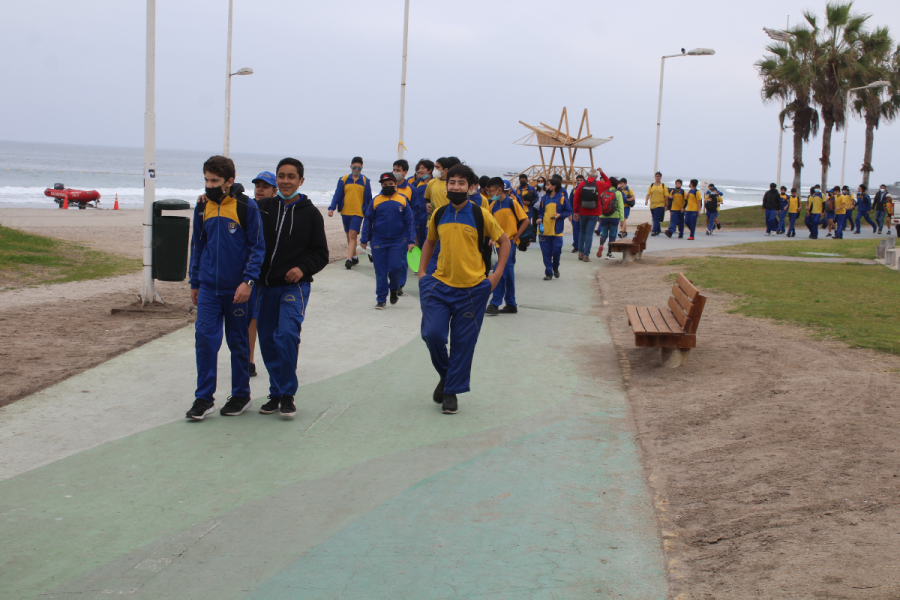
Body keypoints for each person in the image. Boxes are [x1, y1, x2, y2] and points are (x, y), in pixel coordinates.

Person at [418, 164, 510, 415]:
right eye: (452, 182)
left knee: (462, 343)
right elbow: (429, 242)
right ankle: (448, 377)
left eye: (461, 183)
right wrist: (422, 273)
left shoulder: (481, 215)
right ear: (446, 185)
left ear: (471, 188)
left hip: (472, 290)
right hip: (439, 285)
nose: (455, 187)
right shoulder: (438, 214)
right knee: (432, 334)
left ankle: (451, 391)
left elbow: (504, 242)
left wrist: (496, 274)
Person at [186, 155, 265, 420]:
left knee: (238, 343)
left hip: (239, 290)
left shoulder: (247, 207)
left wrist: (247, 282)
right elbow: (197, 246)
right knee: (205, 341)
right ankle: (204, 398)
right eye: (206, 180)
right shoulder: (202, 207)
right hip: (209, 289)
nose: (209, 185)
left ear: (229, 181)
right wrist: (194, 281)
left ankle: (241, 395)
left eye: (215, 181)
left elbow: (257, 248)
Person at [254, 157, 330, 418]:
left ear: (301, 180)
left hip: (293, 288)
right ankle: (275, 392)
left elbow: (321, 253)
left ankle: (287, 394)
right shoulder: (262, 208)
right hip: (264, 288)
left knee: (286, 335)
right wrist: (205, 200)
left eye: (291, 176)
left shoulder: (310, 213)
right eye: (281, 176)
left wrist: (302, 269)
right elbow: (236, 211)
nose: (286, 181)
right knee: (267, 341)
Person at [360, 173, 415, 309]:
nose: (388, 187)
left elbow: (409, 221)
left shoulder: (402, 200)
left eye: (391, 184)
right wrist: (364, 238)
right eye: (385, 185)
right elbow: (368, 220)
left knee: (396, 268)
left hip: (397, 240)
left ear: (395, 185)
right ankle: (381, 299)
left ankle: (394, 288)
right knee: (380, 271)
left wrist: (410, 240)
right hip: (379, 240)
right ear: (381, 186)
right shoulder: (376, 200)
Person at [247, 171, 279, 377]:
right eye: (257, 185)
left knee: (273, 321)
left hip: (273, 275)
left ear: (275, 191)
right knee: (251, 317)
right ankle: (248, 361)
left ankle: (279, 360)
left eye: (265, 186)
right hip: (251, 273)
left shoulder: (279, 211)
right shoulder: (247, 208)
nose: (260, 189)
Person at [485, 177, 528, 315]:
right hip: (498, 244)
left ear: (498, 190)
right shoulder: (492, 206)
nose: (490, 194)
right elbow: (491, 225)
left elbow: (525, 220)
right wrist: (492, 237)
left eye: (491, 191)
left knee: (500, 271)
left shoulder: (512, 203)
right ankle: (511, 303)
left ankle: (494, 303)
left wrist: (515, 238)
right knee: (508, 273)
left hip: (509, 243)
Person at [328, 156, 373, 270]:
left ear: (362, 168)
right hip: (345, 211)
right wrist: (332, 208)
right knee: (348, 234)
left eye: (359, 168)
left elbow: (368, 199)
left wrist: (370, 213)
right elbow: (338, 195)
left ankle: (348, 260)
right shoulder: (343, 179)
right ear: (351, 167)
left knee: (353, 233)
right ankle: (354, 257)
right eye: (354, 167)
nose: (356, 170)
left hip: (358, 212)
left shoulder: (365, 181)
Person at [535, 176, 572, 279]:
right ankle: (548, 272)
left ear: (554, 186)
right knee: (546, 253)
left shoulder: (561, 198)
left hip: (557, 230)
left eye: (547, 184)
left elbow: (569, 211)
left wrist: (560, 215)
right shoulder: (543, 199)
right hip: (544, 230)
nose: (546, 186)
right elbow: (540, 213)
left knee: (556, 251)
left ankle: (555, 267)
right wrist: (539, 219)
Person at [572, 168, 611, 260]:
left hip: (583, 211)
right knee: (589, 233)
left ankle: (580, 252)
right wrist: (602, 172)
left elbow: (576, 198)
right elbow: (609, 183)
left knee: (582, 231)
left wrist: (575, 211)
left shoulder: (581, 184)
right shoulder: (599, 184)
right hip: (594, 212)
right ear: (596, 177)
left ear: (588, 175)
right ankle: (586, 255)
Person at [392, 159, 415, 294]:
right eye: (394, 169)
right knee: (391, 260)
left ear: (405, 172)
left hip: (404, 231)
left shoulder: (410, 189)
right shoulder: (389, 187)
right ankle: (392, 282)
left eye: (398, 170)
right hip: (389, 230)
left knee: (402, 259)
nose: (395, 172)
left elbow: (415, 209)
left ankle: (399, 285)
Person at [595, 177, 625, 260]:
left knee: (604, 233)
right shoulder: (618, 193)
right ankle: (609, 253)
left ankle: (601, 245)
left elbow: (599, 204)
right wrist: (622, 219)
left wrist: (599, 216)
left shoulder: (603, 193)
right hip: (614, 217)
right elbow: (621, 207)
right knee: (612, 234)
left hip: (604, 216)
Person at [410, 159, 433, 248]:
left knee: (428, 242)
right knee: (417, 242)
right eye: (419, 168)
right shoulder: (415, 183)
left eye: (423, 168)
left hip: (429, 218)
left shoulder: (434, 182)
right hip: (417, 218)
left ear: (430, 170)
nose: (420, 170)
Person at [645, 172, 669, 236]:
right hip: (652, 204)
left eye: (659, 176)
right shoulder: (652, 185)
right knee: (654, 218)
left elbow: (666, 196)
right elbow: (648, 194)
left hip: (660, 204)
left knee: (656, 218)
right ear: (655, 177)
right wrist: (646, 200)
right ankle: (658, 229)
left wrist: (667, 205)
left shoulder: (663, 186)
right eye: (656, 176)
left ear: (661, 177)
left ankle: (654, 231)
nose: (657, 177)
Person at [570, 174, 585, 252]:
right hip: (575, 213)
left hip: (584, 213)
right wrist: (570, 213)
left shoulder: (586, 190)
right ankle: (576, 246)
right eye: (578, 180)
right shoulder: (573, 190)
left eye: (581, 180)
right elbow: (571, 202)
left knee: (583, 230)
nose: (579, 182)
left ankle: (582, 245)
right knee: (575, 230)